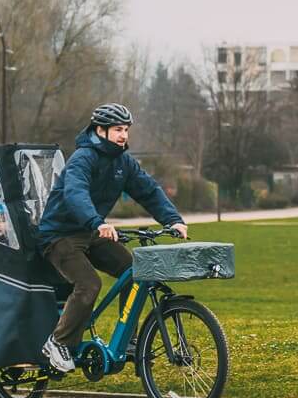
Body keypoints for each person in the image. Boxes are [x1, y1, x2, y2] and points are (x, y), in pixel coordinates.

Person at [35, 103, 187, 372]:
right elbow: (76, 193)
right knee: (89, 284)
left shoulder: (123, 162)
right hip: (59, 235)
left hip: (91, 232)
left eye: (126, 130)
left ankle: (127, 339)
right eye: (118, 129)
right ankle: (58, 342)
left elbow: (148, 190)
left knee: (135, 270)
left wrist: (172, 219)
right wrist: (98, 222)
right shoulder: (83, 158)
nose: (123, 135)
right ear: (100, 130)